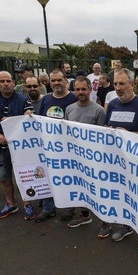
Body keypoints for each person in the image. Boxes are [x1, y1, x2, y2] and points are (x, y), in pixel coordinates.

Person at [105, 68, 138, 240]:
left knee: (134, 195)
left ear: (132, 85)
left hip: (136, 162)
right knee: (117, 191)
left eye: (122, 83)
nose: (118, 87)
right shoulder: (112, 105)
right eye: (115, 84)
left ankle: (137, 226)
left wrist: (128, 135)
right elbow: (107, 128)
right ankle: (119, 222)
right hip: (114, 160)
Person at [0, 71, 34, 220]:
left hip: (20, 149)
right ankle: (10, 203)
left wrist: (25, 116)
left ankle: (27, 203)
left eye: (8, 81)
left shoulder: (23, 100)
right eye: (2, 81)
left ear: (13, 82)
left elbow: (30, 120)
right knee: (3, 178)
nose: (5, 84)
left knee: (24, 176)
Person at [64, 76, 107, 229]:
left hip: (94, 159)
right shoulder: (69, 109)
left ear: (90, 89)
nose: (80, 92)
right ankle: (85, 215)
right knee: (80, 187)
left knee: (98, 191)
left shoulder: (100, 111)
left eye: (83, 89)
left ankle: (105, 221)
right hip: (76, 158)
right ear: (73, 90)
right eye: (77, 89)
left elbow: (103, 138)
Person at [36, 69, 78, 222]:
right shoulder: (46, 99)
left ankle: (69, 207)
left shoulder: (74, 98)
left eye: (59, 80)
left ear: (66, 80)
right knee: (48, 177)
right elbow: (40, 120)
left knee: (68, 178)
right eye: (53, 80)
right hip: (49, 148)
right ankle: (48, 208)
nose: (56, 83)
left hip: (69, 148)